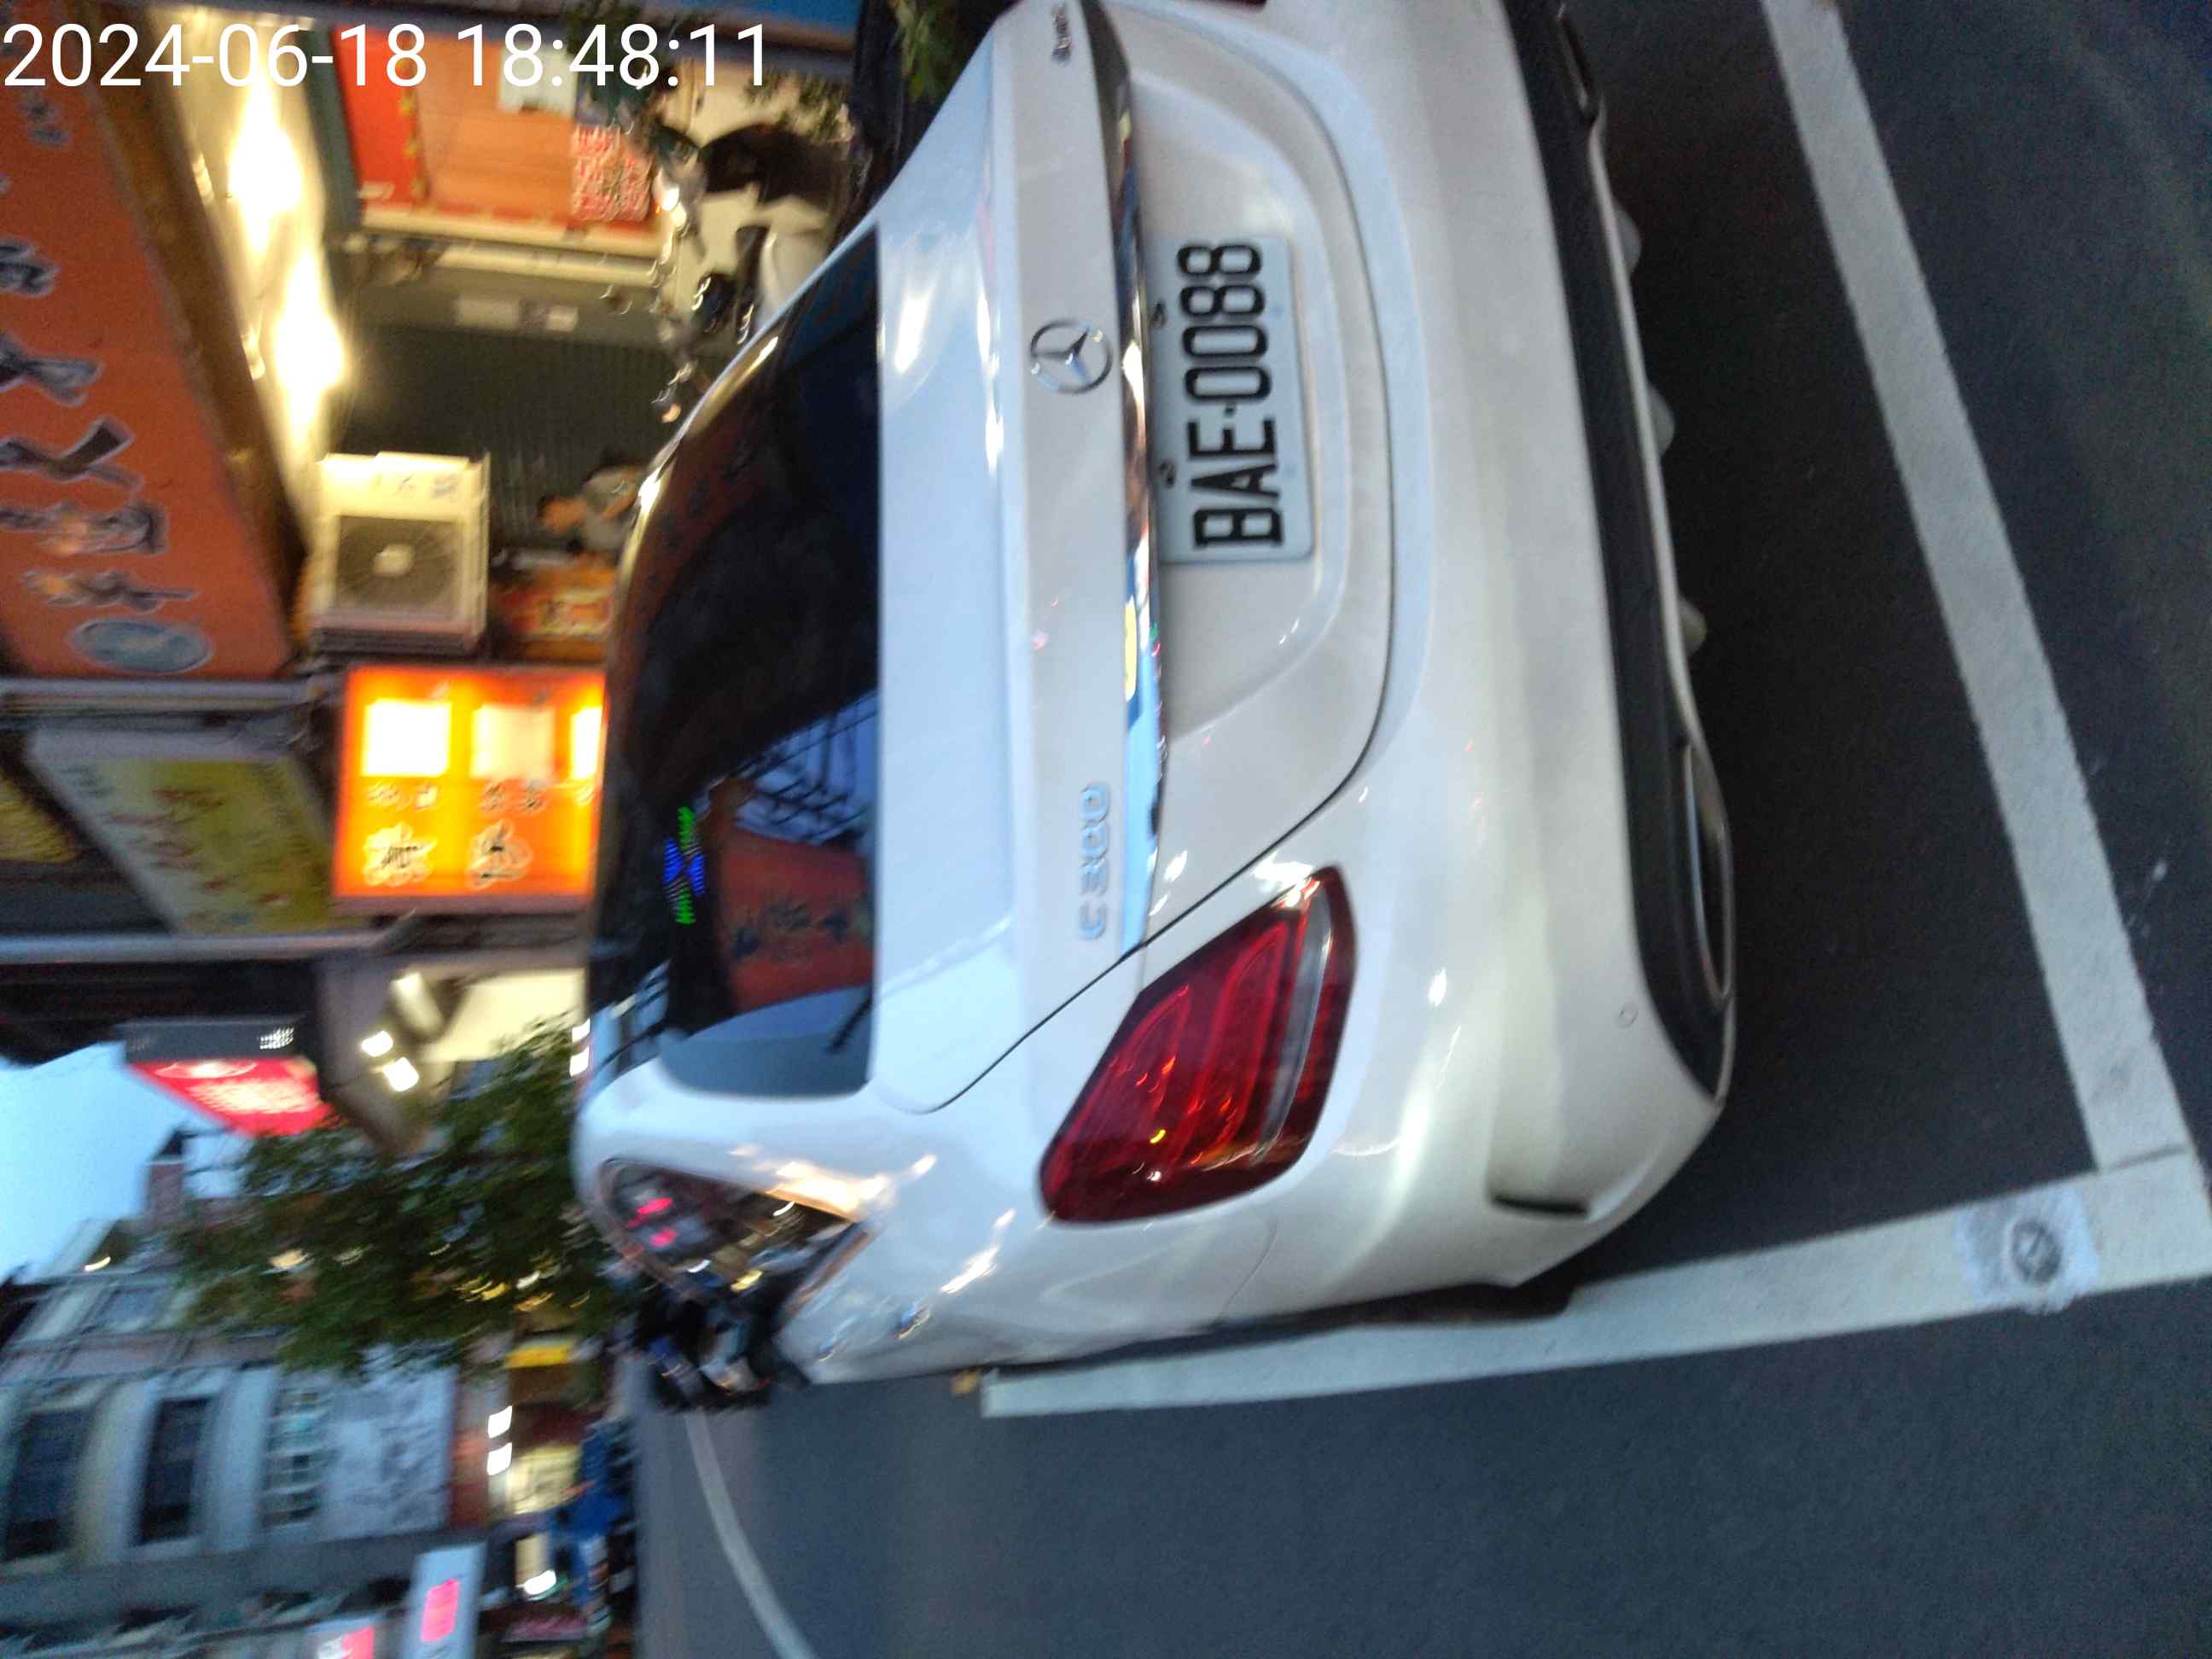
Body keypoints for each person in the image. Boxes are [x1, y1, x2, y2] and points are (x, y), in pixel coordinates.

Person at [538, 457, 645, 556]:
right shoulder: (592, 540)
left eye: (552, 520)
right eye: (553, 528)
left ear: (557, 504)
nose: (557, 529)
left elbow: (634, 476)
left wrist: (621, 503)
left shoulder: (593, 488)